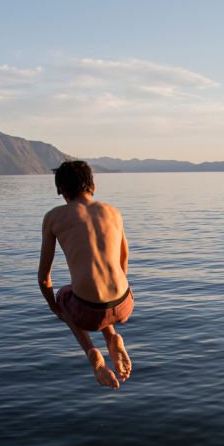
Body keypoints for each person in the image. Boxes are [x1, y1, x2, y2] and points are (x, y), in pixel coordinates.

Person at [38, 160, 134, 389]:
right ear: (93, 185)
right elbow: (124, 259)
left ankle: (93, 353)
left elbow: (44, 278)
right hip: (124, 303)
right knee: (97, 299)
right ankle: (112, 337)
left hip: (88, 314)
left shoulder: (54, 217)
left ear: (61, 190)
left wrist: (57, 310)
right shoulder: (113, 212)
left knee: (64, 294)